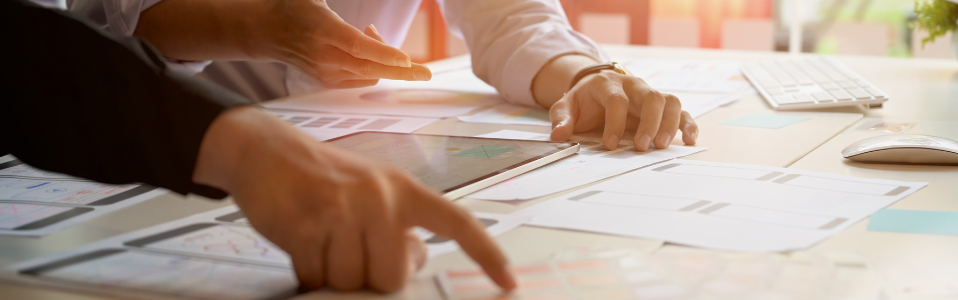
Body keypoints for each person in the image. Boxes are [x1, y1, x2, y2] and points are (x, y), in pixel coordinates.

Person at [2, 0, 514, 293]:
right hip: (133, 153)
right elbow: (86, 31)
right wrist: (245, 137)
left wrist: (578, 68)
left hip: (283, 137)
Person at [68, 0, 700, 152]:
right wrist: (259, 24)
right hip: (133, 137)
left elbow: (509, 17)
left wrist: (581, 74)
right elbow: (119, 19)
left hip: (339, 144)